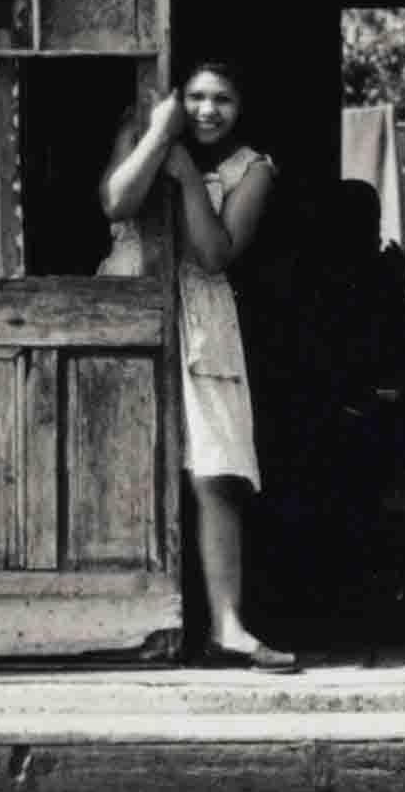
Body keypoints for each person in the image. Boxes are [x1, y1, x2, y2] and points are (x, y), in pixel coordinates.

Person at [102, 55, 290, 668]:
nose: (208, 110)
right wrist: (158, 137)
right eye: (198, 96)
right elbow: (115, 203)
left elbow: (213, 255)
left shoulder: (252, 170)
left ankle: (227, 624)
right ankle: (112, 617)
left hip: (204, 317)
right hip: (130, 298)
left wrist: (186, 181)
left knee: (215, 471)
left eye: (224, 99)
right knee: (122, 460)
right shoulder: (141, 130)